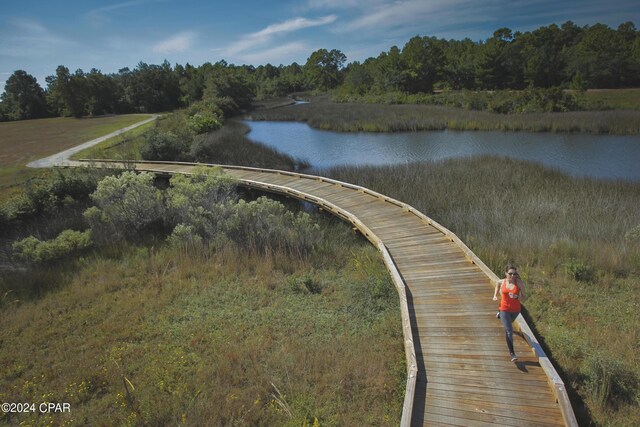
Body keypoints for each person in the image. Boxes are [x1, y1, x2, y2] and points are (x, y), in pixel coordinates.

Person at [493, 265, 526, 362]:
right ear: (506, 273)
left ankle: (499, 314)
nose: (512, 276)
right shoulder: (502, 281)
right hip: (504, 308)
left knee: (509, 324)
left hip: (515, 310)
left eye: (514, 274)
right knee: (509, 331)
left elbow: (525, 297)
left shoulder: (519, 283)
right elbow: (497, 285)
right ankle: (512, 353)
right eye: (510, 273)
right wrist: (495, 295)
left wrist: (516, 297)